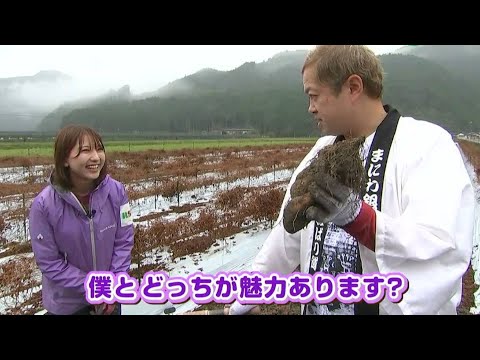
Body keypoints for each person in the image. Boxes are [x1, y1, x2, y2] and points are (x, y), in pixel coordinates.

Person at [227, 45, 475, 315]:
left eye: (314, 96)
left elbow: (438, 246)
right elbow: (285, 242)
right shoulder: (321, 151)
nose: (310, 108)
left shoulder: (426, 145)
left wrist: (359, 219)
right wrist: (241, 304)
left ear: (353, 87)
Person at [29, 124, 134, 315]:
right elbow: (50, 262)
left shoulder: (117, 192)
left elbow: (123, 241)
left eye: (99, 149)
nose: (96, 157)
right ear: (64, 160)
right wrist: (93, 288)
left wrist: (113, 285)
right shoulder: (43, 205)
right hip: (68, 306)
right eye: (86, 150)